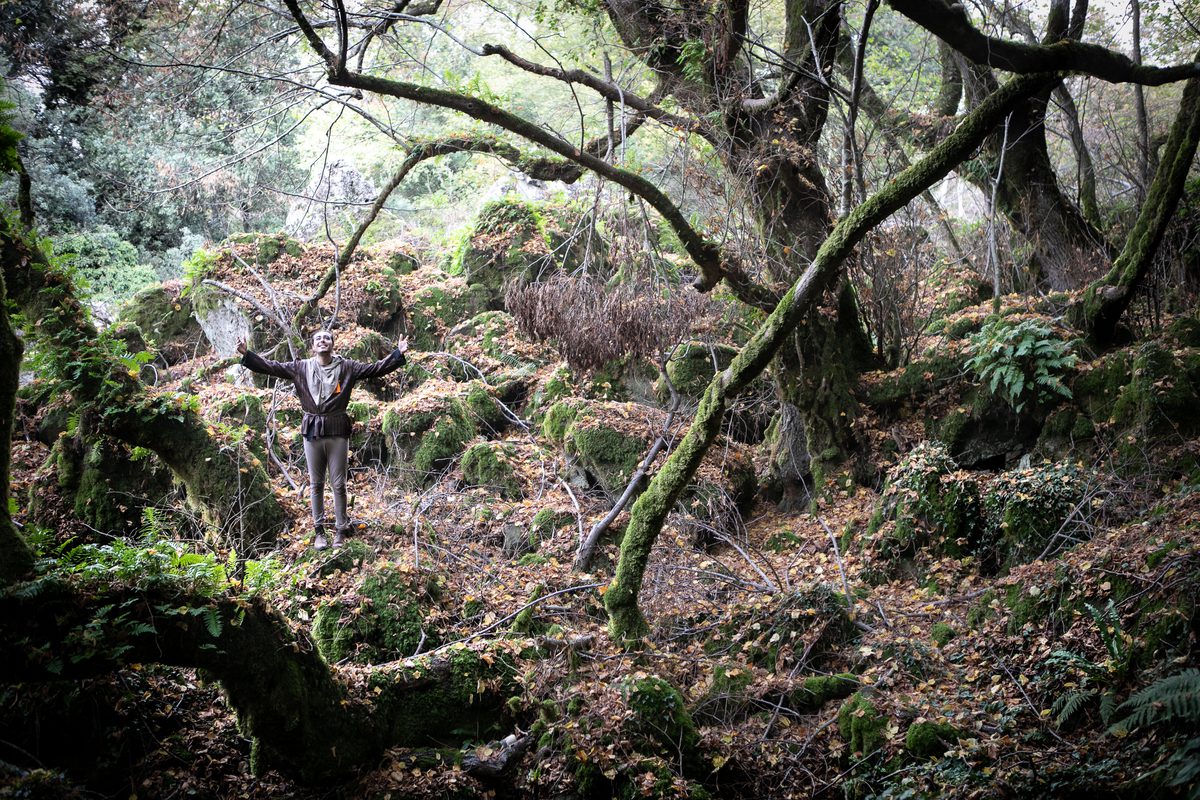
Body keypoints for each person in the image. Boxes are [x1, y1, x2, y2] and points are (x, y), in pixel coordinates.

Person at [237, 329, 408, 550]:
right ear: (313, 345)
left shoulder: (347, 367)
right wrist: (247, 354)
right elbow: (273, 367)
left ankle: (340, 529)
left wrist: (397, 354)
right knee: (316, 484)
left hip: (337, 430)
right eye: (318, 338)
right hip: (312, 431)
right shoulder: (301, 367)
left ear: (333, 344)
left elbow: (374, 369)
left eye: (327, 338)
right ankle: (319, 531)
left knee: (338, 484)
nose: (322, 341)